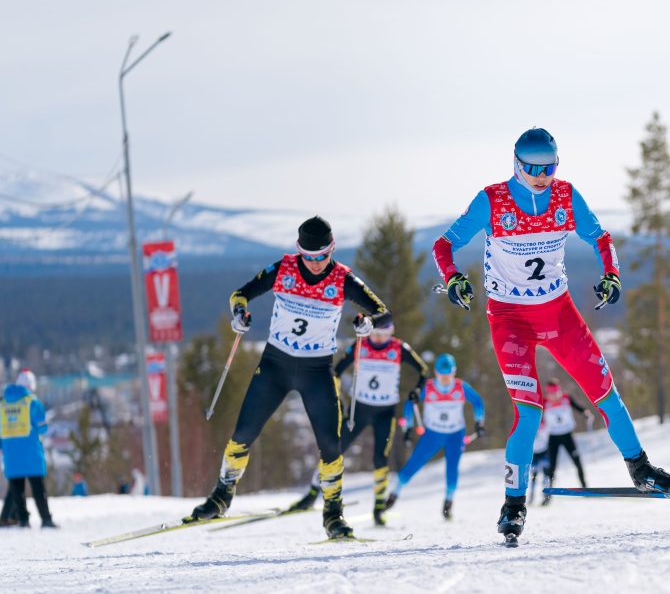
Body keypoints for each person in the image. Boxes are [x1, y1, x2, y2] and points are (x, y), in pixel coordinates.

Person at [431, 127, 670, 542]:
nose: (541, 175)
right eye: (532, 167)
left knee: (606, 393)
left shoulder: (567, 197)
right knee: (529, 412)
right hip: (510, 319)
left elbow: (600, 237)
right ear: (516, 164)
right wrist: (455, 279)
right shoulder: (492, 200)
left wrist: (612, 275)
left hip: (559, 312)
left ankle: (642, 470)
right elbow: (443, 246)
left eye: (549, 167)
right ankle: (513, 507)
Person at [185, 216, 390, 540]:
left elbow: (382, 311)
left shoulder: (343, 278)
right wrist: (239, 315)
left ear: (331, 250)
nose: (313, 263)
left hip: (316, 370)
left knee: (330, 445)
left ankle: (333, 514)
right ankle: (222, 495)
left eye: (320, 256)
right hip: (276, 365)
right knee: (243, 433)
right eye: (307, 257)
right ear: (299, 252)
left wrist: (367, 323)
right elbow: (240, 294)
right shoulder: (284, 269)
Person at [287, 318, 428, 526]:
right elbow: (335, 371)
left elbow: (423, 371)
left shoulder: (399, 348)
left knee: (381, 458)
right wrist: (338, 398)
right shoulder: (359, 345)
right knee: (334, 450)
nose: (379, 339)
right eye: (375, 335)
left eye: (384, 335)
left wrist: (417, 390)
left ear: (391, 333)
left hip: (385, 412)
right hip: (358, 411)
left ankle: (379, 507)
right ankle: (312, 493)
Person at [384, 353, 485, 520]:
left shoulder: (461, 387)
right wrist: (408, 426)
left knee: (452, 469)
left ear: (454, 372)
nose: (445, 378)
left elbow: (478, 401)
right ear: (436, 373)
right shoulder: (428, 387)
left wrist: (479, 422)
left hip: (455, 434)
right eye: (441, 374)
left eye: (448, 374)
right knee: (414, 463)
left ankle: (448, 501)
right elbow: (410, 403)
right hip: (432, 434)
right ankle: (394, 494)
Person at [0, 369, 57, 528]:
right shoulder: (32, 402)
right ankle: (46, 519)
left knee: (16, 488)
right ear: (30, 385)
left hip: (10, 453)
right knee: (38, 487)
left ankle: (23, 520)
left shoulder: (1, 404)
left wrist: (0, 449)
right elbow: (42, 428)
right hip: (31, 452)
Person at [540, 379, 591, 505]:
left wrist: (585, 412)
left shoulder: (566, 399)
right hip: (553, 438)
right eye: (550, 394)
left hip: (568, 435)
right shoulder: (544, 403)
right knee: (551, 468)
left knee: (577, 462)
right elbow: (537, 416)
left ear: (559, 391)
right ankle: (548, 496)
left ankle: (585, 488)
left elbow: (578, 407)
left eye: (555, 393)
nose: (552, 396)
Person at [527, 416, 550, 505]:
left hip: (544, 451)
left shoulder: (544, 423)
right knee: (534, 475)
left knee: (546, 475)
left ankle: (546, 496)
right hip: (534, 453)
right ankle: (532, 496)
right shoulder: (529, 424)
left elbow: (547, 435)